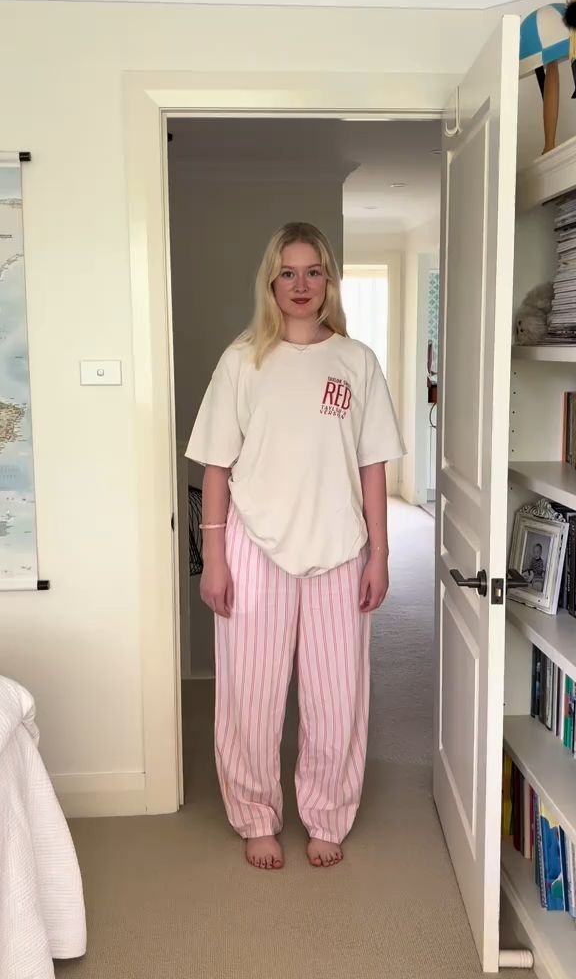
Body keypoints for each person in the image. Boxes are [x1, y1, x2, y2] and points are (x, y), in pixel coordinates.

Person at [185, 222, 405, 871]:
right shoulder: (242, 362)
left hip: (340, 549)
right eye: (288, 272)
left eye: (313, 272)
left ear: (329, 280)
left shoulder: (357, 361)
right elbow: (217, 468)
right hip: (254, 548)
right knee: (250, 697)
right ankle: (256, 815)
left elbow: (372, 466)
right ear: (270, 283)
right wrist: (215, 559)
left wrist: (380, 554)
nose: (301, 285)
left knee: (337, 699)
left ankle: (327, 815)